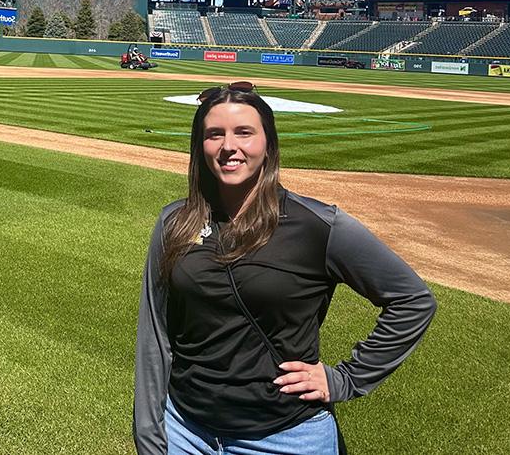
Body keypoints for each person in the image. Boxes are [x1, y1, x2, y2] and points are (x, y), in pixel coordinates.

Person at [134, 82, 436, 455]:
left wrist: (344, 380)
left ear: (269, 144)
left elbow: (412, 300)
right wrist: (149, 434)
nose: (229, 146)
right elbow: (156, 335)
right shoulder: (174, 223)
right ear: (200, 147)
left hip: (287, 438)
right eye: (215, 135)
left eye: (245, 132)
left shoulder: (317, 226)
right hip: (186, 432)